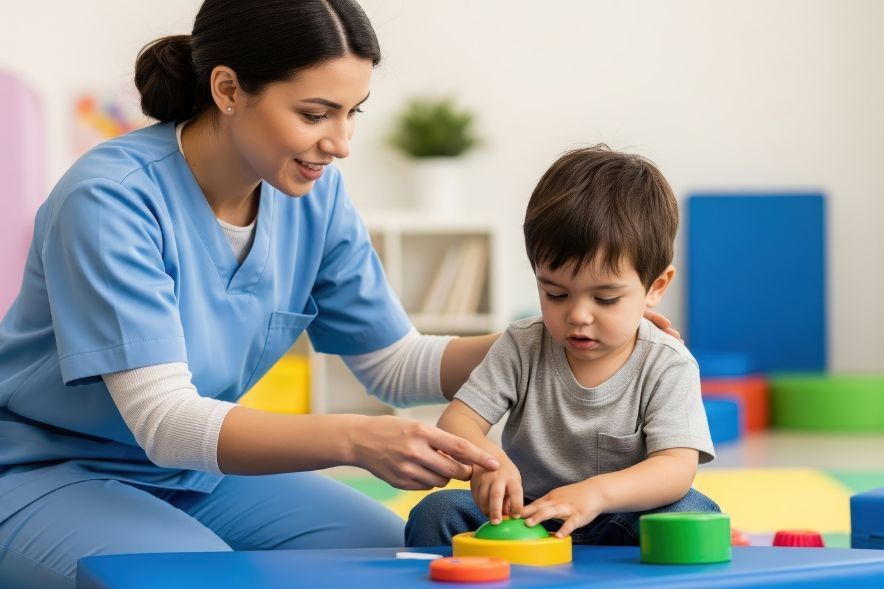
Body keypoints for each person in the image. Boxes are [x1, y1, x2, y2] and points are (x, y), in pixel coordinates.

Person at [0, 3, 678, 586]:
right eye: (316, 113)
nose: (343, 142)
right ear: (229, 89)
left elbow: (394, 363)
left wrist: (556, 334)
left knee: (389, 554)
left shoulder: (311, 198)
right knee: (196, 576)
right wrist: (356, 439)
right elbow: (167, 421)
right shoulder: (112, 199)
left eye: (353, 112)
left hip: (193, 477)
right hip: (46, 469)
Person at [405, 146, 719, 548]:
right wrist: (489, 461)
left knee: (694, 514)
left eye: (605, 299)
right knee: (437, 512)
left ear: (655, 287)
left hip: (621, 514)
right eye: (555, 293)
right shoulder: (521, 345)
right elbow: (457, 422)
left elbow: (676, 468)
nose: (578, 316)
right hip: (527, 515)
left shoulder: (667, 363)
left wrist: (598, 494)